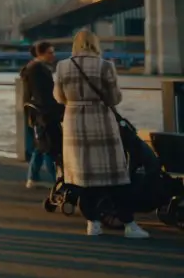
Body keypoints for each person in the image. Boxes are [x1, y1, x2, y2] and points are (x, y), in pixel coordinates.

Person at [53, 29, 149, 239]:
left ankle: (92, 223)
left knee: (84, 176)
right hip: (101, 121)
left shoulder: (63, 66)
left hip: (75, 123)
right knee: (115, 176)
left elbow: (59, 98)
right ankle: (129, 225)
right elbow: (114, 98)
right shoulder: (105, 66)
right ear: (95, 44)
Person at [21, 41, 63, 189]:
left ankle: (32, 178)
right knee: (49, 147)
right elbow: (43, 95)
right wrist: (59, 108)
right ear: (41, 54)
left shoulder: (33, 68)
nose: (53, 55)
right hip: (43, 113)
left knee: (41, 146)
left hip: (37, 112)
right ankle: (56, 181)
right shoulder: (37, 70)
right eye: (50, 52)